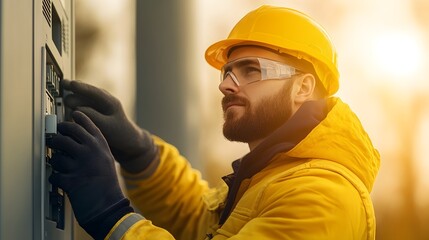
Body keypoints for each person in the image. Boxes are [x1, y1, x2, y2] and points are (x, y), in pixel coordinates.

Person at [47, 5, 380, 240]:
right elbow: (199, 221)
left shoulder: (323, 196)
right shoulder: (267, 178)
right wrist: (141, 154)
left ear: (303, 87)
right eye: (228, 73)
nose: (226, 85)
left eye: (251, 71)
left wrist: (111, 216)